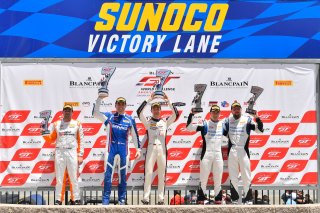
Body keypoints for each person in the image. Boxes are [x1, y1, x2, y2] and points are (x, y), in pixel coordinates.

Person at [93, 96, 141, 205]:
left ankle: (122, 200)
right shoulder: (109, 117)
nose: (120, 106)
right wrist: (99, 99)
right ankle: (105, 200)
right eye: (118, 104)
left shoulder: (130, 119)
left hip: (124, 151)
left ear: (125, 106)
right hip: (111, 150)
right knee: (108, 175)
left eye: (122, 104)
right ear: (115, 105)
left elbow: (135, 135)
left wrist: (138, 149)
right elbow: (95, 113)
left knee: (122, 176)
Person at [137, 92, 179, 205]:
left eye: (158, 109)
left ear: (160, 110)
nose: (156, 111)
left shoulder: (165, 122)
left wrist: (168, 101)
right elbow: (138, 112)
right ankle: (146, 198)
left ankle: (161, 199)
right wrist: (148, 100)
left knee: (162, 175)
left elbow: (176, 114)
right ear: (151, 110)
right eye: (154, 109)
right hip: (151, 149)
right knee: (149, 174)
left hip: (162, 151)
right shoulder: (148, 122)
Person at [223, 101, 264, 205]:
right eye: (234, 108)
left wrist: (257, 117)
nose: (236, 110)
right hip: (232, 150)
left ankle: (248, 198)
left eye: (238, 108)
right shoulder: (227, 120)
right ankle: (235, 199)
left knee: (246, 175)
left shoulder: (247, 120)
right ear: (231, 110)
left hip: (243, 151)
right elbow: (220, 132)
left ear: (241, 109)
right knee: (233, 176)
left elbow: (260, 130)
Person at [42, 104, 84, 205]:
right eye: (65, 110)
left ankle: (75, 199)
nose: (67, 112)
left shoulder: (77, 124)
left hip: (72, 152)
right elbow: (51, 138)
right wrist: (43, 132)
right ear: (62, 112)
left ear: (72, 112)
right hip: (59, 152)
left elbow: (81, 140)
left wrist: (80, 154)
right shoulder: (56, 124)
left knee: (74, 177)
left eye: (69, 110)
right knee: (60, 178)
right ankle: (58, 199)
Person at [186, 104, 224, 204]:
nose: (215, 114)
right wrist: (191, 114)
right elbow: (189, 127)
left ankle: (218, 198)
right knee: (203, 179)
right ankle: (201, 198)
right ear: (210, 113)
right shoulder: (204, 123)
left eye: (217, 112)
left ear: (219, 113)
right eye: (213, 112)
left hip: (218, 155)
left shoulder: (223, 124)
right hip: (206, 154)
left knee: (218, 178)